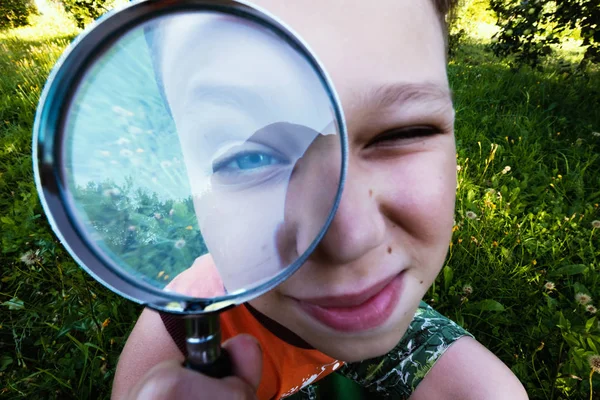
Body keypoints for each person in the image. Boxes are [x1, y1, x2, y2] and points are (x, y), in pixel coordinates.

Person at [112, 0, 530, 399]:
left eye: (402, 132)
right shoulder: (176, 339)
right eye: (249, 157)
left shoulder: (374, 290)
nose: (350, 239)